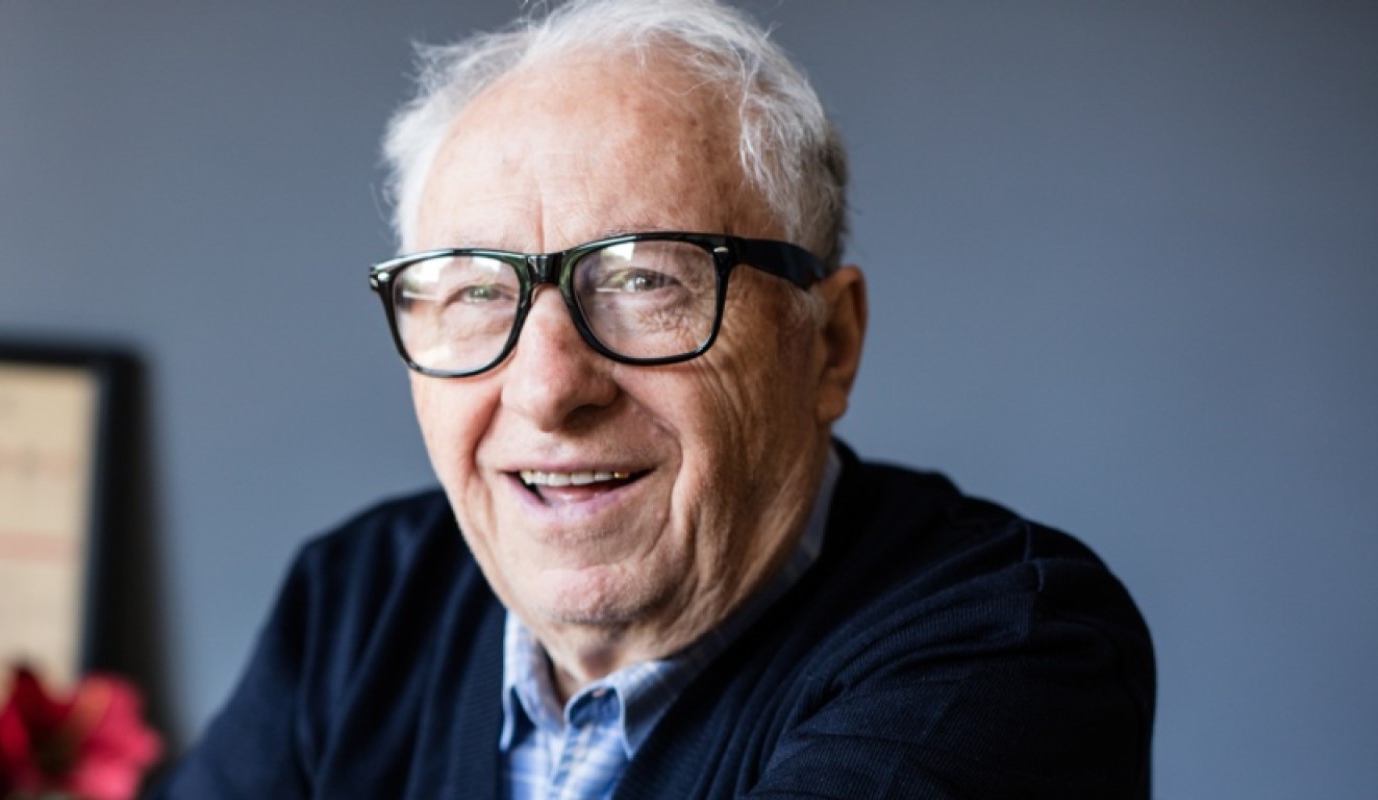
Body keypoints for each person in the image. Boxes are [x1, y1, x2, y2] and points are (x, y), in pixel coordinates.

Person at [161, 1, 1155, 797]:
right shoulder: (359, 601)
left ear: (829, 344)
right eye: (475, 290)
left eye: (644, 281)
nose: (548, 387)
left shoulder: (1008, 653)